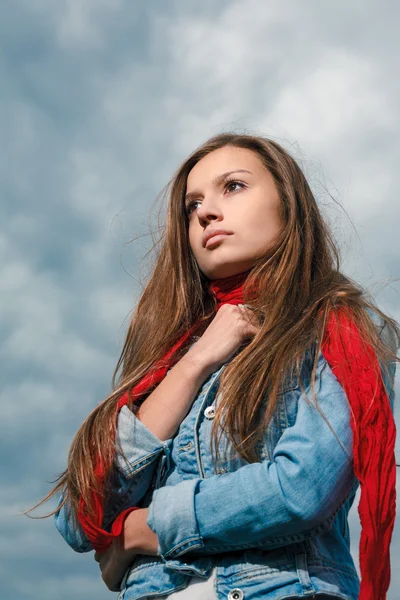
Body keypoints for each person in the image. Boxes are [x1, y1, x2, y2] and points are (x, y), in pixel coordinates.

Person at [32, 133, 398, 600]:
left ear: (289, 206)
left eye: (234, 187)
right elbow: (80, 516)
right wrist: (194, 364)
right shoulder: (172, 355)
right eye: (192, 205)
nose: (205, 212)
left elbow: (300, 490)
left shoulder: (339, 328)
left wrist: (145, 530)